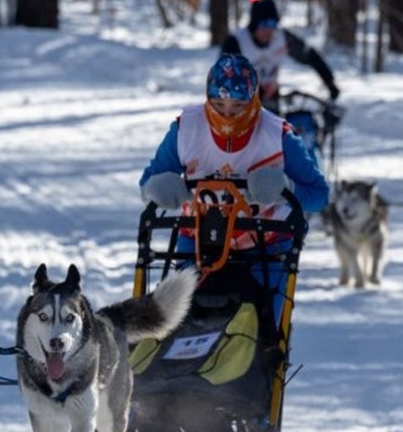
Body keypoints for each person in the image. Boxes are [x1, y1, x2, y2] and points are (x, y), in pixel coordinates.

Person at [139, 53, 329, 323]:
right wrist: (158, 187)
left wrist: (286, 188)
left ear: (253, 100)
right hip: (197, 242)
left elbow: (319, 195)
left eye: (238, 106)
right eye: (218, 105)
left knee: (264, 330)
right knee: (181, 325)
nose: (227, 115)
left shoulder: (278, 135)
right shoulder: (186, 129)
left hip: (265, 245)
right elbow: (147, 183)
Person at [221, 0, 340, 113]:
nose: (268, 30)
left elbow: (311, 56)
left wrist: (330, 83)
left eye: (272, 24)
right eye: (263, 24)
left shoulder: (282, 38)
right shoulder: (237, 42)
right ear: (254, 25)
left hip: (271, 97)